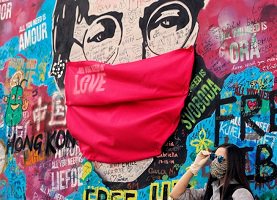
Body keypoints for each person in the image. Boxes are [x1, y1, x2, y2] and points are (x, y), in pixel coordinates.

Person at [169, 143, 254, 200]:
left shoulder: (241, 193)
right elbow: (176, 194)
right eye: (213, 157)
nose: (214, 161)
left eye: (220, 158)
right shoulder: (211, 189)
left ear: (233, 163)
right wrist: (194, 167)